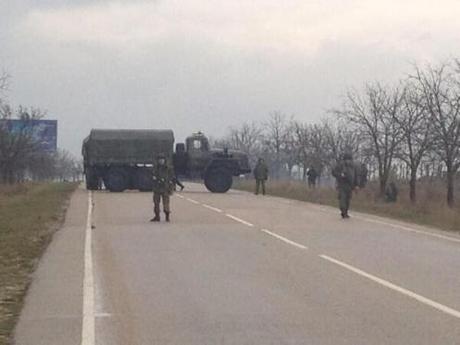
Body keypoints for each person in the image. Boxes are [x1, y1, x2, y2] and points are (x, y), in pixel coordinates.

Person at [332, 153, 358, 219]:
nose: (348, 161)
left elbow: (355, 176)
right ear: (344, 160)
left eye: (350, 160)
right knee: (342, 199)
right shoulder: (340, 165)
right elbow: (333, 172)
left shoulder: (353, 167)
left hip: (350, 185)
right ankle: (343, 211)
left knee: (348, 200)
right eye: (347, 159)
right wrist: (340, 175)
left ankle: (345, 212)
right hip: (342, 184)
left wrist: (356, 185)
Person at [151, 154, 175, 222]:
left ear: (164, 160)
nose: (161, 161)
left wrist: (171, 187)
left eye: (162, 160)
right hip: (157, 188)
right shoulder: (155, 168)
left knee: (166, 203)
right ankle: (157, 216)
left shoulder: (168, 168)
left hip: (165, 188)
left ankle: (167, 216)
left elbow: (172, 178)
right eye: (160, 160)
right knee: (156, 203)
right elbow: (152, 176)